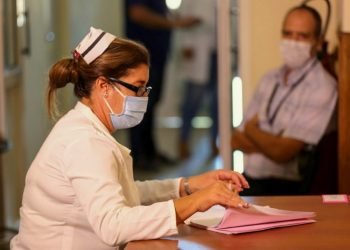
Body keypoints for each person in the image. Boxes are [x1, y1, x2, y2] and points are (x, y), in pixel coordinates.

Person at [10, 27, 249, 250]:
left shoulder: (84, 128)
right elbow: (113, 225)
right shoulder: (84, 142)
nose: (143, 97)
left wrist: (186, 186)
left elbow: (122, 192)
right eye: (137, 87)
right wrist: (196, 201)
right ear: (104, 85)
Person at [231, 5, 337, 196]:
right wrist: (273, 142)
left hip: (286, 190)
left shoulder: (323, 87)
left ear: (318, 42)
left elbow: (283, 153)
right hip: (249, 180)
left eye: (302, 36)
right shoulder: (269, 79)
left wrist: (252, 129)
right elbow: (235, 140)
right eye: (288, 34)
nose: (293, 42)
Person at [124, 0, 200, 169]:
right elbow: (137, 13)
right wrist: (174, 23)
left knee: (151, 105)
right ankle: (138, 156)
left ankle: (150, 152)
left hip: (157, 56)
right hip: (142, 58)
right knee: (140, 105)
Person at [177, 0, 219, 160]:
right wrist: (186, 44)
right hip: (198, 49)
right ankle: (183, 141)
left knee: (218, 104)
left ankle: (214, 141)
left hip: (218, 51)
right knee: (192, 102)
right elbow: (184, 18)